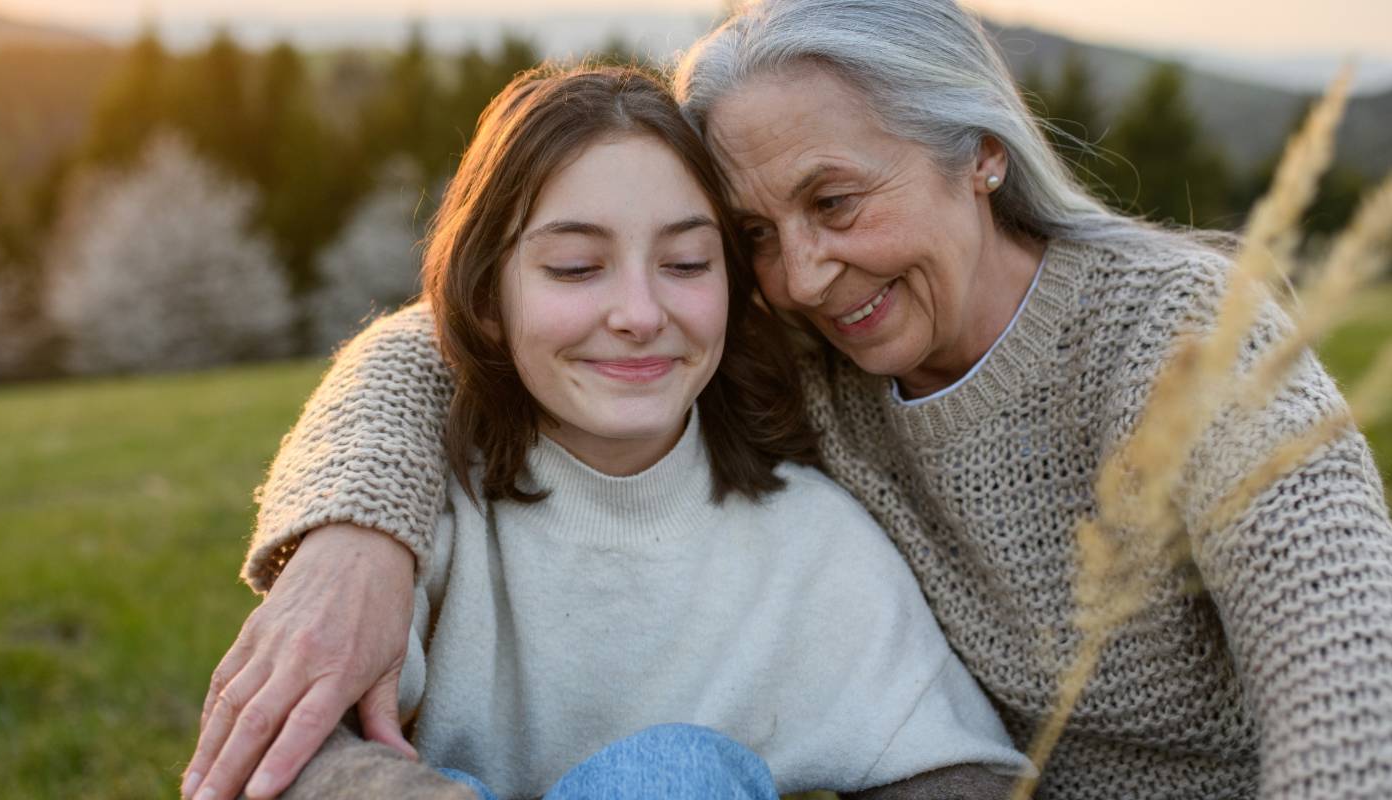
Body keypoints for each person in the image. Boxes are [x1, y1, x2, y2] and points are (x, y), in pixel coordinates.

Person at [185, 1, 1392, 798]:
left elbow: (1362, 662)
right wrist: (358, 535)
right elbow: (464, 332)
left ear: (981, 151)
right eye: (751, 233)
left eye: (836, 202)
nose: (803, 275)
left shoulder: (1176, 334)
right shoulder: (811, 343)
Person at [187, 65, 1031, 800]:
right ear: (488, 298)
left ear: (736, 292)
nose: (638, 314)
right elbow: (282, 752)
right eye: (576, 268)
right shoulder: (409, 518)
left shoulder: (813, 545)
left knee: (674, 777)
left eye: (687, 264)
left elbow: (955, 771)